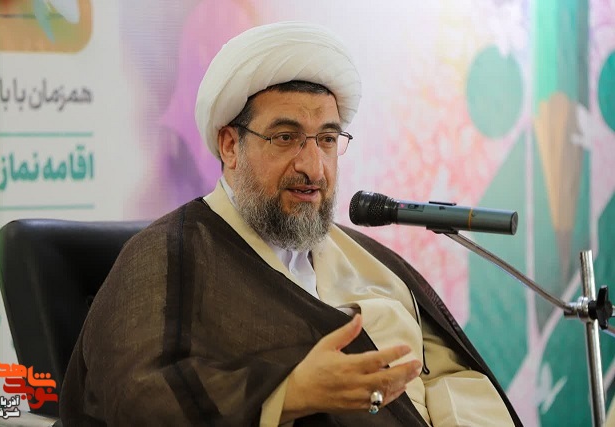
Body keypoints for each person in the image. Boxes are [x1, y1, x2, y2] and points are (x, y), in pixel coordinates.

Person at [60, 21, 522, 426]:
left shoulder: (365, 257)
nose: (313, 167)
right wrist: (291, 393)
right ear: (230, 146)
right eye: (286, 137)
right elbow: (135, 394)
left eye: (327, 139)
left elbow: (447, 372)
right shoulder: (169, 252)